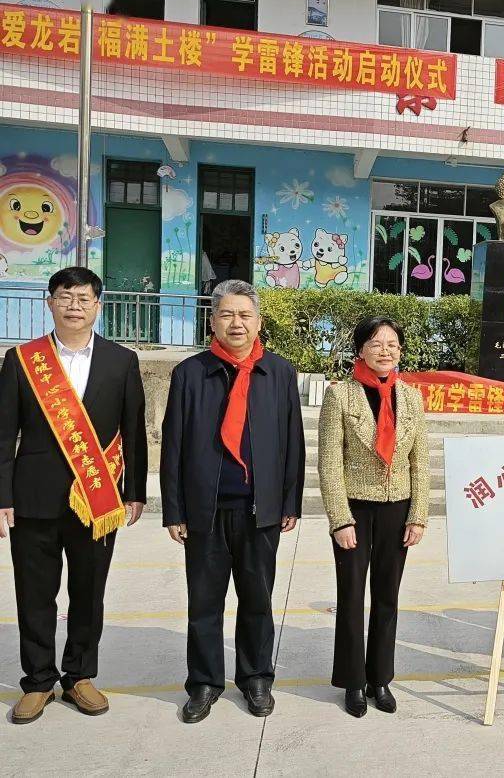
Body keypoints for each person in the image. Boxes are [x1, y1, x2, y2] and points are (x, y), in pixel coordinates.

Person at [0, 267, 147, 724]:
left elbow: (134, 432)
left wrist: (135, 491)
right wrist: (2, 496)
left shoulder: (122, 360)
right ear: (50, 302)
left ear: (97, 306)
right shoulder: (22, 359)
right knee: (34, 593)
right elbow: (4, 435)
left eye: (84, 298)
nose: (74, 305)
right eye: (65, 297)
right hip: (34, 498)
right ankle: (39, 680)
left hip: (98, 499)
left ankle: (80, 675)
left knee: (89, 592)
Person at [160, 279, 304, 724]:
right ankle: (204, 682)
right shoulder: (191, 372)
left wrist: (290, 502)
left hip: (259, 510)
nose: (236, 323)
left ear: (258, 321)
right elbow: (173, 444)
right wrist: (174, 509)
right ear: (213, 320)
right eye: (227, 314)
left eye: (244, 315)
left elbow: (292, 442)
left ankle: (256, 677)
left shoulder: (279, 372)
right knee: (203, 602)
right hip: (205, 511)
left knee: (257, 599)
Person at [318, 317, 430, 718]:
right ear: (360, 349)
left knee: (387, 597)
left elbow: (421, 461)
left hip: (397, 509)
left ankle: (380, 677)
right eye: (377, 343)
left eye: (393, 344)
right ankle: (352, 681)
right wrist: (339, 519)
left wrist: (418, 515)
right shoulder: (341, 397)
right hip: (355, 509)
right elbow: (329, 463)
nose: (386, 350)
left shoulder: (412, 398)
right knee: (351, 597)